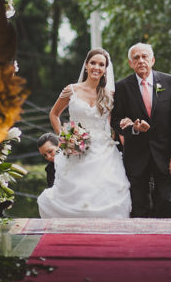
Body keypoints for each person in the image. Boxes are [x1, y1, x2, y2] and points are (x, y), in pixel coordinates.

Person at [37, 48, 131, 218]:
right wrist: (65, 138)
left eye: (101, 64)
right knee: (77, 192)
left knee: (103, 192)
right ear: (86, 65)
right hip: (76, 149)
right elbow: (54, 114)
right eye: (93, 63)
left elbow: (115, 122)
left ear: (105, 69)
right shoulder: (71, 90)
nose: (97, 67)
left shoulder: (110, 95)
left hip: (104, 151)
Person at [111, 43, 171, 218]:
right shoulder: (122, 87)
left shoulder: (169, 82)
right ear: (130, 63)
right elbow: (115, 121)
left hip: (165, 155)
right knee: (139, 206)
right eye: (136, 58)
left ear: (152, 60)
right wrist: (133, 128)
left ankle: (166, 241)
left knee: (165, 203)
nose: (141, 61)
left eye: (145, 57)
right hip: (136, 156)